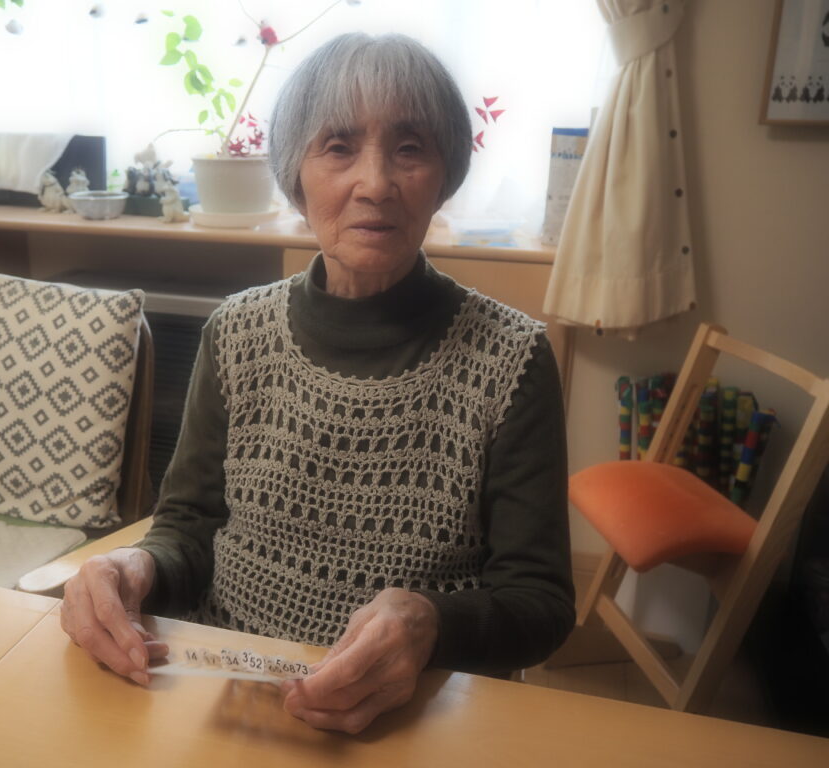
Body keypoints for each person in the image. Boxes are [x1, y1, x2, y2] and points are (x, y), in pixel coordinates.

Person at [60, 32, 574, 735]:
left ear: (445, 173)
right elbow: (189, 526)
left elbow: (540, 603)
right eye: (338, 146)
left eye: (410, 148)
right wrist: (135, 565)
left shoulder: (512, 358)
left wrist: (431, 621)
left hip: (414, 717)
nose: (376, 183)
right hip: (231, 697)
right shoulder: (236, 333)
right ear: (295, 176)